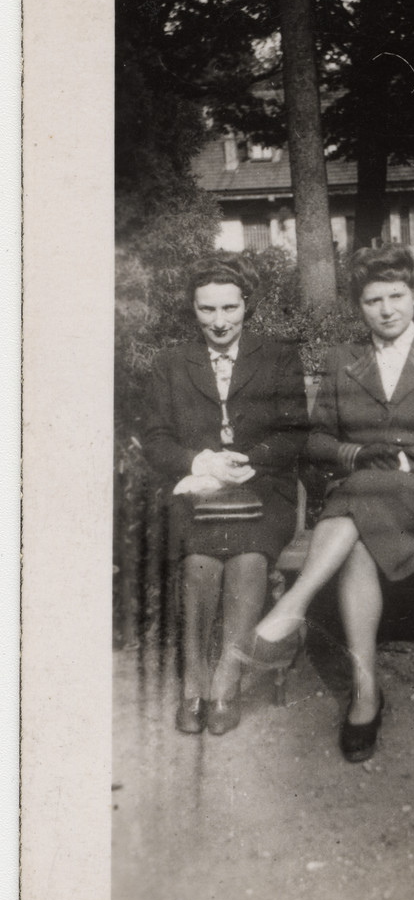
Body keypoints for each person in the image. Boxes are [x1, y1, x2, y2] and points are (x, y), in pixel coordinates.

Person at [239, 245, 414, 763]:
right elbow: (318, 440)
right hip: (365, 506)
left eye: (397, 296)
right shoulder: (342, 360)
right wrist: (356, 451)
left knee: (358, 496)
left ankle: (293, 606)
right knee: (356, 541)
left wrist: (406, 459)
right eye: (373, 300)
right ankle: (365, 692)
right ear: (359, 307)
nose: (387, 309)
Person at [143, 254, 307, 736]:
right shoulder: (172, 363)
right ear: (193, 309)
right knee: (200, 561)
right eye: (207, 309)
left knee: (250, 559)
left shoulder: (276, 357)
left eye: (229, 309)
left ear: (246, 306)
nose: (219, 321)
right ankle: (194, 682)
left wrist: (248, 461)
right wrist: (202, 462)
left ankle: (227, 680)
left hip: (263, 487)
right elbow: (155, 439)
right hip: (196, 490)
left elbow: (295, 432)